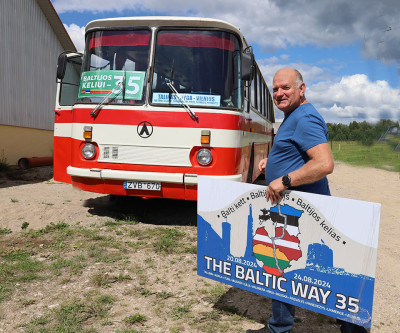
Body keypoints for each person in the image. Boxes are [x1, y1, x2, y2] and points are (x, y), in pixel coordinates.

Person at [246, 68, 367, 333]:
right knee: (289, 263)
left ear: (302, 89)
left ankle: (347, 326)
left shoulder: (305, 117)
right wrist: (273, 165)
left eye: (286, 88)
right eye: (275, 89)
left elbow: (324, 164)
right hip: (294, 209)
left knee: (295, 265)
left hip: (305, 209)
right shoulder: (293, 116)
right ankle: (287, 324)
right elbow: (299, 155)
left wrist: (284, 180)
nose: (279, 94)